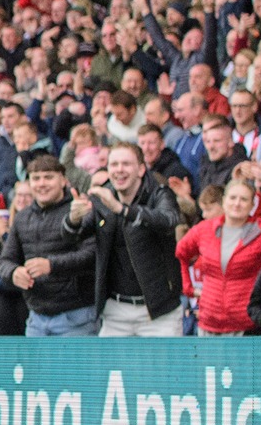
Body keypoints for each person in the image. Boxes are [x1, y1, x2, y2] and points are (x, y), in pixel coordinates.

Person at [67, 143, 185, 337]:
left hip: (159, 312)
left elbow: (169, 219)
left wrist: (123, 210)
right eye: (114, 164)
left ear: (141, 169)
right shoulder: (101, 197)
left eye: (126, 164)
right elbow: (72, 237)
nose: (119, 170)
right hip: (115, 311)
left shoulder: (159, 193)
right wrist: (73, 219)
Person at [0, 155, 99, 336]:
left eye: (48, 177)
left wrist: (51, 265)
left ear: (63, 180)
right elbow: (4, 261)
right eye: (36, 178)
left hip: (77, 316)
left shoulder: (80, 211)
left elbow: (92, 256)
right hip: (36, 318)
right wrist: (13, 272)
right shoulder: (22, 217)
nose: (41, 183)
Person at [176, 175, 261, 336]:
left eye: (244, 199)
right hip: (208, 321)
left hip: (246, 325)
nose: (237, 203)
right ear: (224, 201)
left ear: (252, 205)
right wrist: (189, 288)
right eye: (232, 198)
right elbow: (181, 252)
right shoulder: (204, 229)